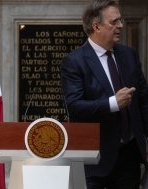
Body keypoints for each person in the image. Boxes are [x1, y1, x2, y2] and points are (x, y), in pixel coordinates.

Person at [61, 0, 148, 188]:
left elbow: (143, 101)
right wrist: (113, 103)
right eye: (114, 22)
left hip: (129, 157)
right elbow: (75, 107)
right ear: (96, 26)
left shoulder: (129, 55)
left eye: (121, 20)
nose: (121, 26)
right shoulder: (75, 61)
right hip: (95, 159)